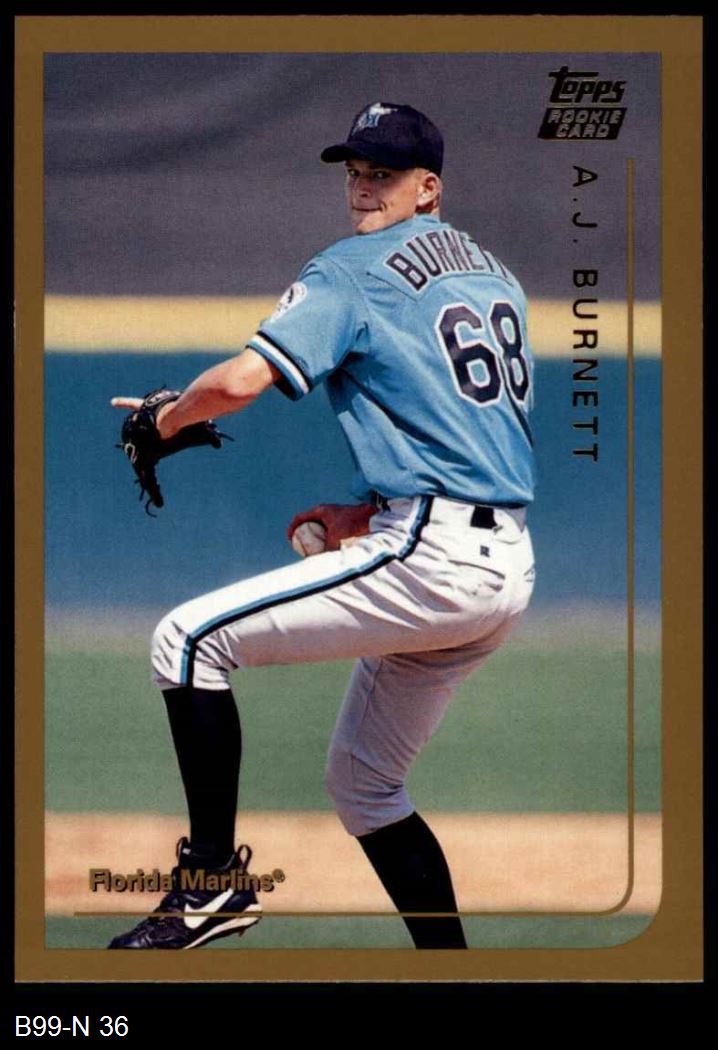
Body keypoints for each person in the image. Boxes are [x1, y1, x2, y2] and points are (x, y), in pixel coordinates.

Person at [108, 101, 536, 951]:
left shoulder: (351, 269)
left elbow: (240, 382)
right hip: (502, 561)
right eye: (355, 171)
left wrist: (163, 419)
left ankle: (209, 887)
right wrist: (368, 513)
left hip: (434, 555)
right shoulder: (496, 277)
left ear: (428, 188)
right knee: (367, 788)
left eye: (384, 174)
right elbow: (472, 435)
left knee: (186, 642)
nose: (363, 187)